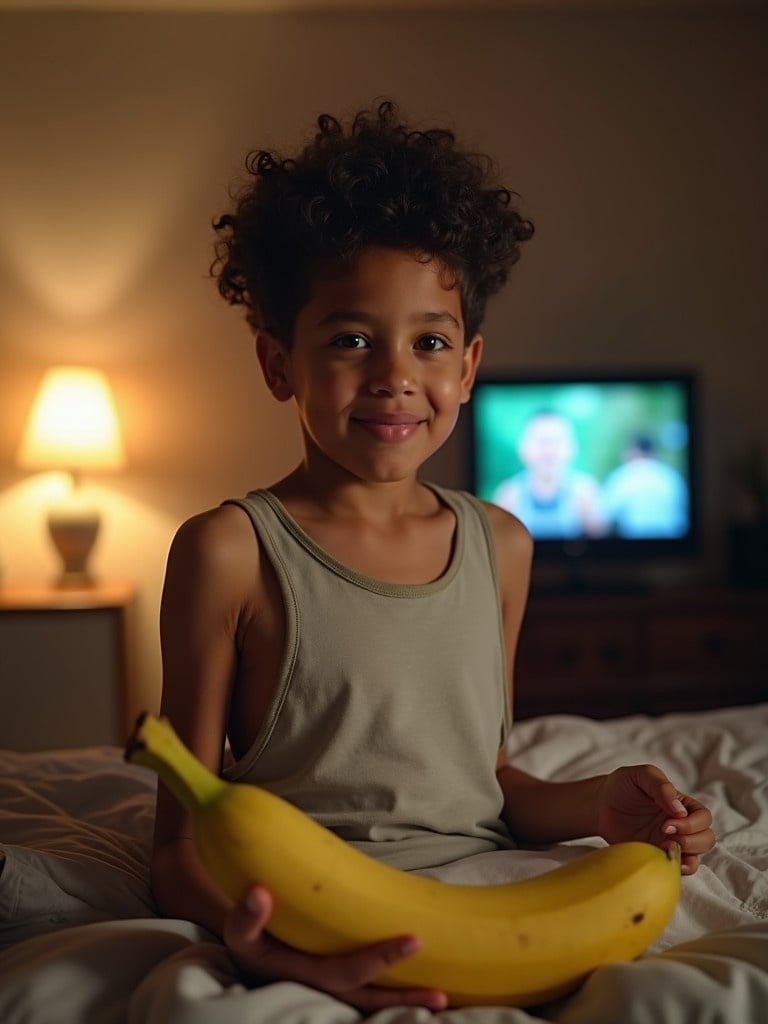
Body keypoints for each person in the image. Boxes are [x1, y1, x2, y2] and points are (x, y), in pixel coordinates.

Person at [151, 100, 715, 1013]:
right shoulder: (228, 551)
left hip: (483, 896)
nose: (395, 375)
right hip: (307, 917)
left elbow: (484, 784)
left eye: (431, 341)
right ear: (276, 361)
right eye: (349, 338)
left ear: (469, 366)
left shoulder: (502, 544)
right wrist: (271, 954)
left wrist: (600, 804)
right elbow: (179, 844)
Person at [492, 408, 606, 538]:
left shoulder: (585, 491)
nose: (549, 451)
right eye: (542, 442)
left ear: (572, 448)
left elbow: (601, 548)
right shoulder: (510, 495)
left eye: (556, 441)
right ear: (523, 448)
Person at [601, 433, 688, 538]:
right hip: (674, 546)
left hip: (635, 545)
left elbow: (604, 518)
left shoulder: (624, 476)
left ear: (633, 451)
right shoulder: (671, 477)